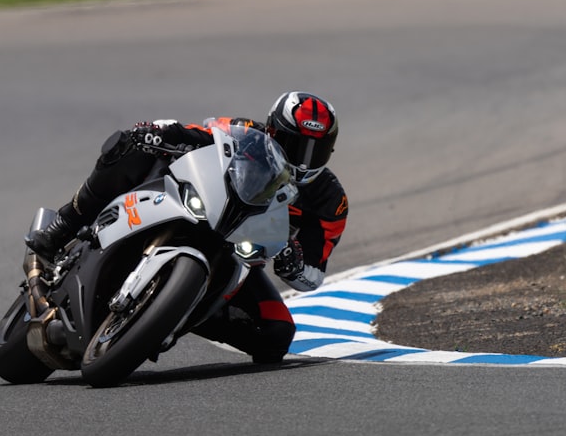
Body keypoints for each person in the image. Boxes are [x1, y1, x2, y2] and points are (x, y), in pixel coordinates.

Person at [27, 91, 348, 364]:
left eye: (315, 149)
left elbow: (314, 276)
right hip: (197, 207)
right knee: (129, 148)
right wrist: (157, 133)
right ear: (274, 131)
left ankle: (171, 315)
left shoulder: (330, 200)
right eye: (296, 144)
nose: (304, 160)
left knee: (277, 334)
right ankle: (63, 225)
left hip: (240, 254)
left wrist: (294, 266)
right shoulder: (245, 132)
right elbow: (194, 132)